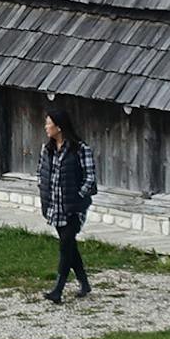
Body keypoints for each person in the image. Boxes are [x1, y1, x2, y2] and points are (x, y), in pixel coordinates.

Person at [36, 110, 98, 303]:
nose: (46, 127)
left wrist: (78, 196)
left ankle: (58, 289)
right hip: (54, 207)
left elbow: (90, 177)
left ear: (59, 126)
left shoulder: (80, 149)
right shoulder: (47, 150)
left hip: (74, 208)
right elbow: (41, 172)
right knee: (69, 245)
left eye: (49, 124)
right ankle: (84, 283)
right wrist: (44, 191)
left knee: (65, 246)